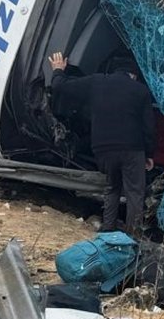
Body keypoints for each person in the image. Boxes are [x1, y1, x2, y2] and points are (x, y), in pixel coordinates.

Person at [49, 52, 156, 235]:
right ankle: (132, 236)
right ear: (133, 75)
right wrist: (149, 153)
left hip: (103, 149)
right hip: (132, 149)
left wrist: (58, 70)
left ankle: (107, 230)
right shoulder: (141, 91)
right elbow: (149, 127)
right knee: (135, 192)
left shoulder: (96, 82)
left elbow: (60, 86)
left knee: (112, 188)